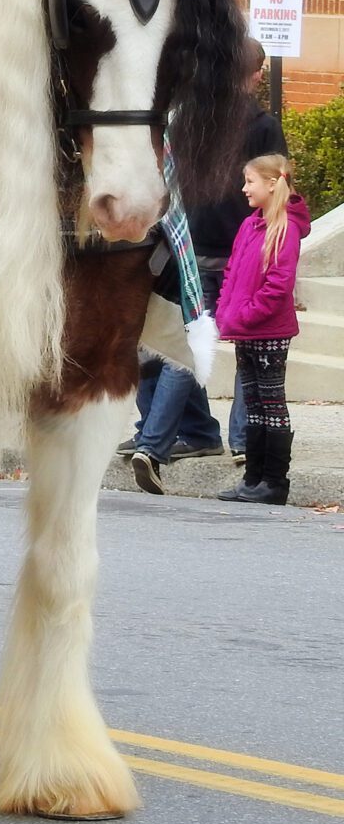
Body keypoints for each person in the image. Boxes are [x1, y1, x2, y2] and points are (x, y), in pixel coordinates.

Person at [125, 40, 288, 491]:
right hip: (238, 247)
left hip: (189, 242)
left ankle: (166, 440)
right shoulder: (261, 124)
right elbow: (277, 182)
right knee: (230, 346)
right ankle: (226, 438)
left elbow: (168, 171)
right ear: (257, 75)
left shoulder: (191, 117)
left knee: (185, 341)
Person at [212, 154, 310, 504]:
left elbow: (277, 287)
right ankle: (252, 478)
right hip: (245, 329)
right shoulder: (250, 225)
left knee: (271, 402)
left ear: (272, 183)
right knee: (252, 403)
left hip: (268, 331)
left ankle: (274, 482)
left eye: (250, 181)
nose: (244, 188)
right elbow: (231, 274)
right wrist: (225, 312)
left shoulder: (286, 228)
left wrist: (242, 316)